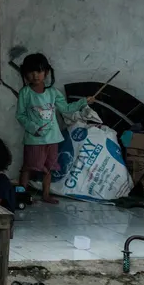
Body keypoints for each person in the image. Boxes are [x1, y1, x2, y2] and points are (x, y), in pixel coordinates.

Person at [16, 53, 92, 205]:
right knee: (28, 167)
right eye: (30, 72)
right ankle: (21, 195)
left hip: (53, 138)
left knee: (49, 168)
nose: (35, 75)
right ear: (25, 74)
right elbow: (20, 115)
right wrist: (34, 128)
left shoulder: (53, 93)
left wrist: (84, 102)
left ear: (47, 73)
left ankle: (45, 194)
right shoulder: (25, 93)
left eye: (39, 71)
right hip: (33, 138)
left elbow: (66, 109)